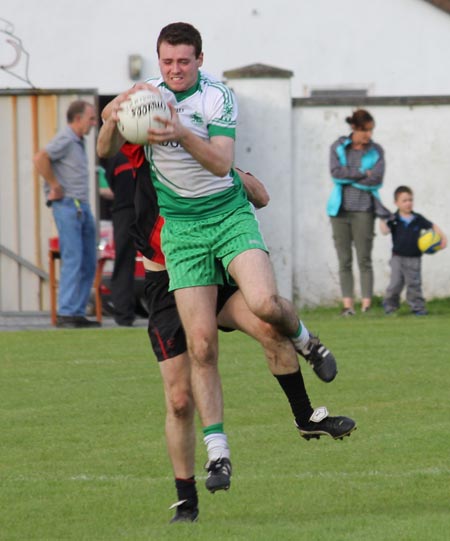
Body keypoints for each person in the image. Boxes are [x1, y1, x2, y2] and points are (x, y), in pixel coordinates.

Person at [97, 21, 340, 501]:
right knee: (201, 348)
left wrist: (180, 132)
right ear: (158, 62)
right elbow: (105, 150)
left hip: (227, 218)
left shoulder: (217, 98)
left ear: (200, 60)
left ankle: (308, 344)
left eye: (184, 61)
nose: (175, 69)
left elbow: (222, 164)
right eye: (167, 62)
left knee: (267, 305)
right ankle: (215, 456)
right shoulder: (146, 98)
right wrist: (112, 117)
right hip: (182, 234)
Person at [97, 141, 356, 523]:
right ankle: (187, 500)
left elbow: (261, 195)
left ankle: (306, 418)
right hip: (168, 284)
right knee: (180, 399)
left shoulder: (204, 156)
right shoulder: (144, 160)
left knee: (269, 325)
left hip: (211, 272)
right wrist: (120, 110)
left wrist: (229, 172)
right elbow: (105, 143)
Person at [34, 100, 100, 328]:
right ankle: (67, 312)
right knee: (74, 258)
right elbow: (40, 158)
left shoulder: (78, 142)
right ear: (78, 118)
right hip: (68, 206)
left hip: (81, 206)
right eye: (91, 118)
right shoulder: (66, 138)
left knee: (89, 260)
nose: (94, 123)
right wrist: (54, 185)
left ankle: (77, 311)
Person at [327, 109, 386, 316]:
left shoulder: (376, 150)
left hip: (365, 210)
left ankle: (367, 305)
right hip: (339, 211)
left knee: (364, 259)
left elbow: (376, 179)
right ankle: (348, 306)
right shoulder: (338, 147)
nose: (368, 135)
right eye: (365, 130)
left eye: (371, 130)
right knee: (344, 260)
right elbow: (336, 175)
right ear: (354, 128)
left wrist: (351, 176)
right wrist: (362, 173)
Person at [379, 185, 447, 315]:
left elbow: (433, 226)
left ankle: (418, 308)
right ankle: (390, 306)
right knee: (395, 284)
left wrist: (443, 238)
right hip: (397, 258)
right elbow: (384, 231)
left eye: (410, 200)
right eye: (404, 200)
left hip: (414, 258)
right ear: (396, 203)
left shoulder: (417, 219)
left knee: (414, 284)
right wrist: (382, 219)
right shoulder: (394, 219)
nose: (408, 203)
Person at [104, 144, 139, 326]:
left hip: (123, 212)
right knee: (157, 260)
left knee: (123, 262)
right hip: (145, 209)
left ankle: (123, 314)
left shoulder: (115, 156)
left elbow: (111, 183)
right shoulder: (146, 152)